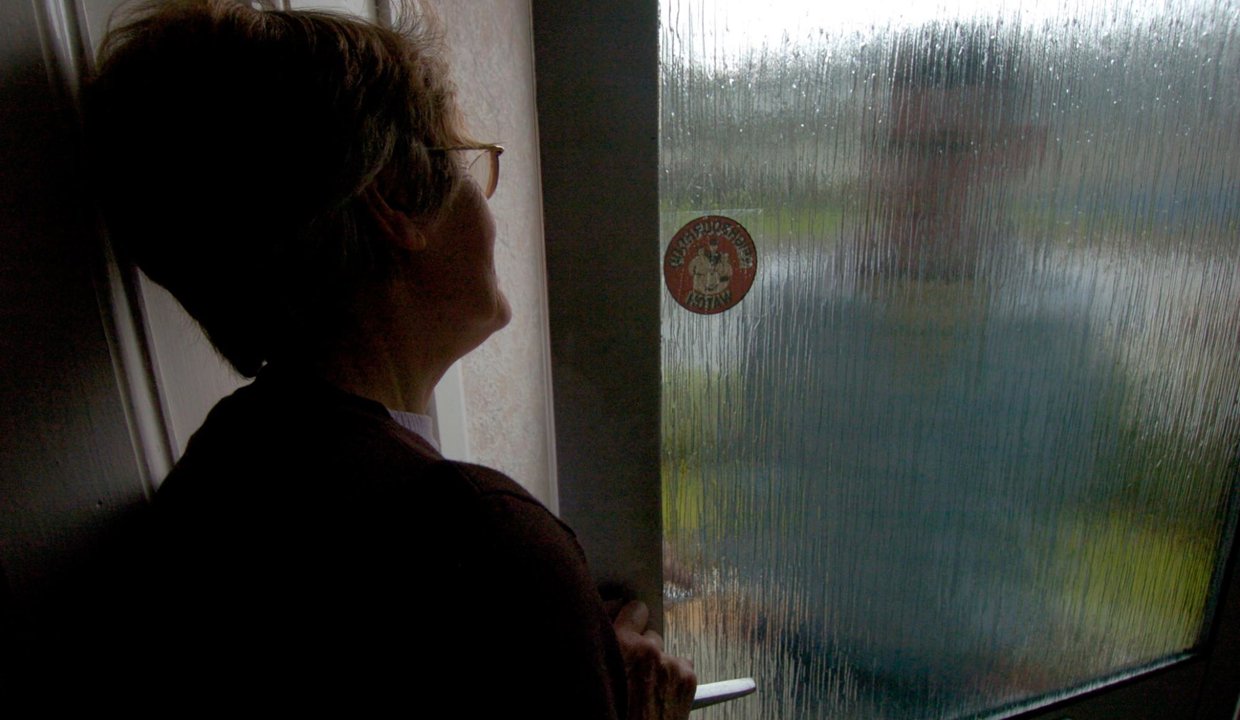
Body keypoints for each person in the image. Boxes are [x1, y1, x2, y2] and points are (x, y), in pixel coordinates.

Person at [79, 0, 695, 716]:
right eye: (470, 164)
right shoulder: (481, 541)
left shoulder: (217, 476)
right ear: (396, 200)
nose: (487, 206)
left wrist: (566, 650)